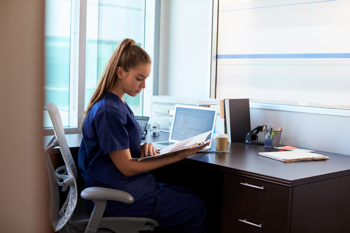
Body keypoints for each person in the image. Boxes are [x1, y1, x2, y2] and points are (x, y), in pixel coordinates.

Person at [78, 38, 208, 233]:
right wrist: (178, 155)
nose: (144, 86)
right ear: (120, 72)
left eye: (145, 79)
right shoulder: (109, 111)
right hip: (118, 197)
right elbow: (126, 167)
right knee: (197, 208)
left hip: (125, 187)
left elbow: (112, 151)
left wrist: (140, 148)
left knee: (192, 194)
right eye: (139, 78)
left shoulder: (116, 104)